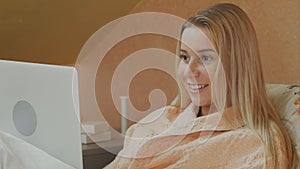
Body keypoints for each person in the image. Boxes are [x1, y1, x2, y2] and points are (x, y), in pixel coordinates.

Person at [105, 3, 299, 168]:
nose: (190, 70)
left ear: (238, 64)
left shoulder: (258, 145)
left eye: (205, 58)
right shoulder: (161, 118)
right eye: (184, 57)